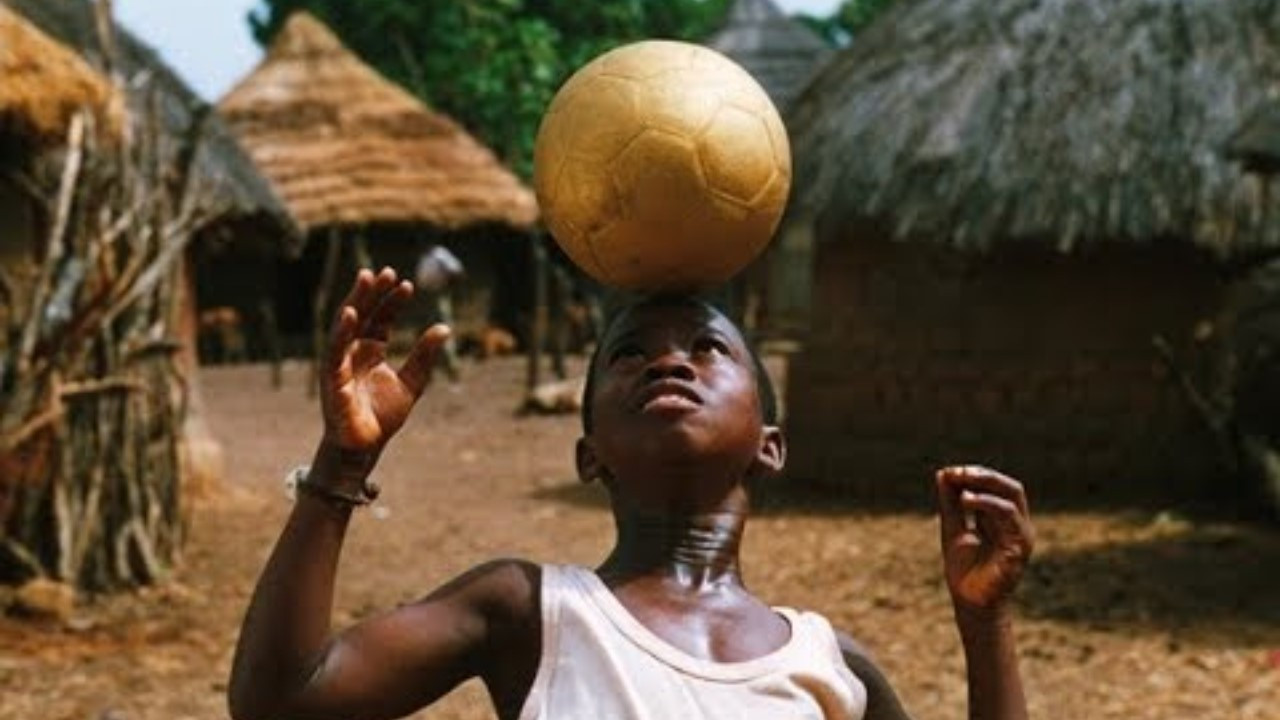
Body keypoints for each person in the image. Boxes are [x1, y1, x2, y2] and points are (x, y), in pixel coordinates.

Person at [229, 267, 1036, 720]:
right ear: (590, 455)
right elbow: (280, 705)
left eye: (708, 347)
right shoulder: (530, 611)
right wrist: (340, 467)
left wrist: (985, 622)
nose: (669, 362)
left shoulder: (829, 664)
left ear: (771, 445)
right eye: (628, 355)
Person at [414, 244, 465, 381]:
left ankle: (453, 369)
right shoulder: (425, 257)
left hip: (438, 294)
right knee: (426, 334)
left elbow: (456, 270)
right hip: (425, 296)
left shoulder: (440, 254)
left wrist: (450, 286)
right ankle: (428, 372)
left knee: (443, 331)